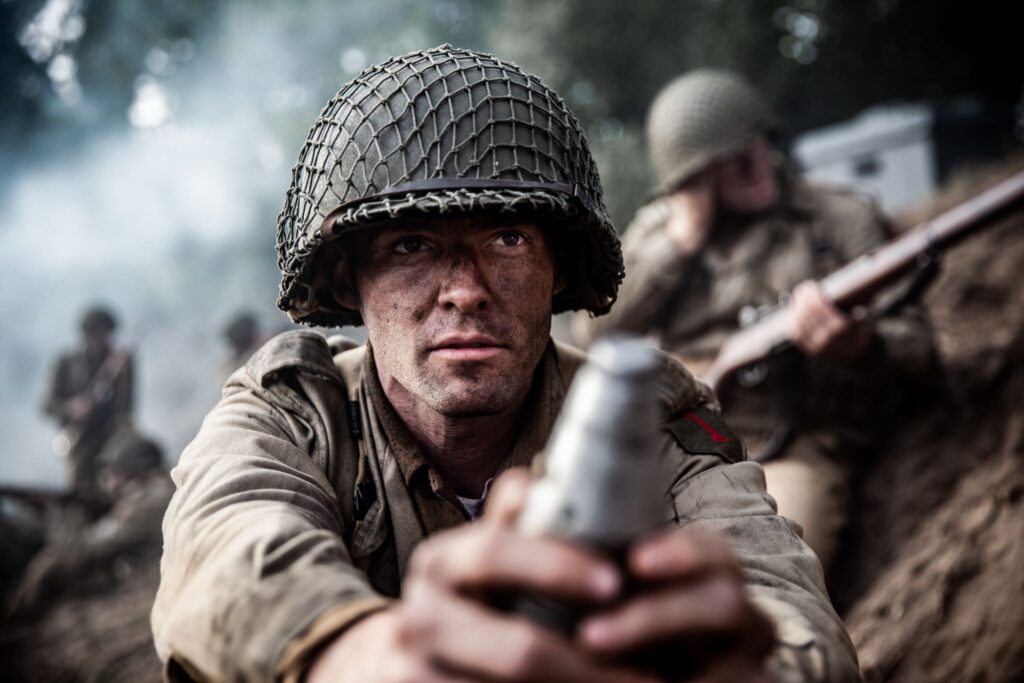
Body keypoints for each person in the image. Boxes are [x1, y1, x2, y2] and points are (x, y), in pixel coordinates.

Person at [152, 46, 860, 682]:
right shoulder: (294, 413)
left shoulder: (648, 423)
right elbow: (226, 542)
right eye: (411, 246)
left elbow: (787, 609)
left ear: (558, 268)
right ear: (346, 281)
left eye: (510, 237)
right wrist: (364, 654)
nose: (465, 289)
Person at [579, 69, 937, 573]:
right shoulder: (659, 235)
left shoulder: (840, 219)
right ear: (692, 179)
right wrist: (681, 240)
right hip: (677, 444)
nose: (754, 162)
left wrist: (860, 346)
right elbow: (595, 330)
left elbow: (922, 351)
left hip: (793, 443)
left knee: (769, 570)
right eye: (727, 159)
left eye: (755, 142)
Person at [8, 430, 171, 616]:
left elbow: (84, 550)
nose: (108, 481)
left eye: (114, 472)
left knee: (49, 563)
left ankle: (16, 614)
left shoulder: (146, 500)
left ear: (129, 471)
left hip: (148, 580)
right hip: (150, 573)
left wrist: (57, 515)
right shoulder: (156, 491)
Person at [43, 306, 134, 508]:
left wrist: (124, 374)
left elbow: (126, 407)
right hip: (80, 439)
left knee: (117, 491)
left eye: (106, 333)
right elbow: (48, 405)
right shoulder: (66, 362)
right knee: (82, 493)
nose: (103, 338)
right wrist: (72, 408)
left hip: (112, 439)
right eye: (97, 332)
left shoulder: (119, 361)